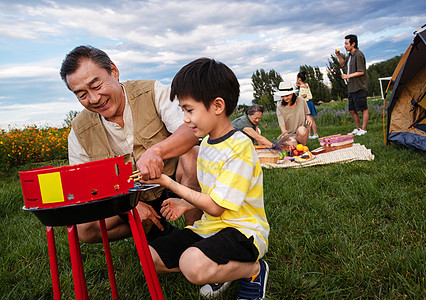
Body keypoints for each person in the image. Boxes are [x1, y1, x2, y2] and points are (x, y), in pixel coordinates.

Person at [145, 58, 270, 299]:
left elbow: (216, 206)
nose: (185, 118)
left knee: (191, 264)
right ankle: (223, 271)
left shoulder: (239, 147)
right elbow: (215, 193)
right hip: (212, 228)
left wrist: (170, 184)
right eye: (183, 110)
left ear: (218, 106)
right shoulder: (206, 145)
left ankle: (254, 270)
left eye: (189, 109)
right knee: (150, 257)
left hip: (243, 231)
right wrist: (186, 204)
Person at [60, 45, 202, 244]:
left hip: (172, 181)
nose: (94, 99)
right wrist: (125, 206)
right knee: (85, 230)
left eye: (96, 85)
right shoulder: (79, 130)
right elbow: (83, 188)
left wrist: (156, 151)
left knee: (193, 155)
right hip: (129, 198)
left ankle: (198, 237)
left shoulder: (152, 91)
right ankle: (150, 229)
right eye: (81, 94)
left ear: (114, 71)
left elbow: (191, 131)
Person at [335, 34, 369, 136]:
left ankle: (363, 129)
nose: (345, 46)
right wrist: (338, 56)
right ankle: (358, 128)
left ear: (353, 44)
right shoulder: (350, 55)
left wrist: (348, 76)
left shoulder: (358, 55)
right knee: (352, 110)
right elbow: (343, 64)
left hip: (359, 86)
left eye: (346, 43)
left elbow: (361, 71)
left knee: (363, 109)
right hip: (351, 87)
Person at [275, 81, 313, 147]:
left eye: (287, 95)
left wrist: (308, 118)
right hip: (288, 135)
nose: (285, 98)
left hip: (300, 133)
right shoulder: (280, 107)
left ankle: (303, 147)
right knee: (293, 146)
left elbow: (307, 115)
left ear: (292, 94)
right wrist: (289, 140)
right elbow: (283, 128)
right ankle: (296, 147)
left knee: (302, 130)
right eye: (282, 96)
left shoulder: (301, 101)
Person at [296, 71, 319, 139]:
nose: (296, 80)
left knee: (311, 120)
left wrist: (298, 98)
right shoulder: (306, 85)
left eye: (297, 78)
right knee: (309, 120)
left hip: (307, 103)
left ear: (299, 79)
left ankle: (315, 134)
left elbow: (304, 95)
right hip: (309, 103)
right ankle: (310, 134)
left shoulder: (302, 87)